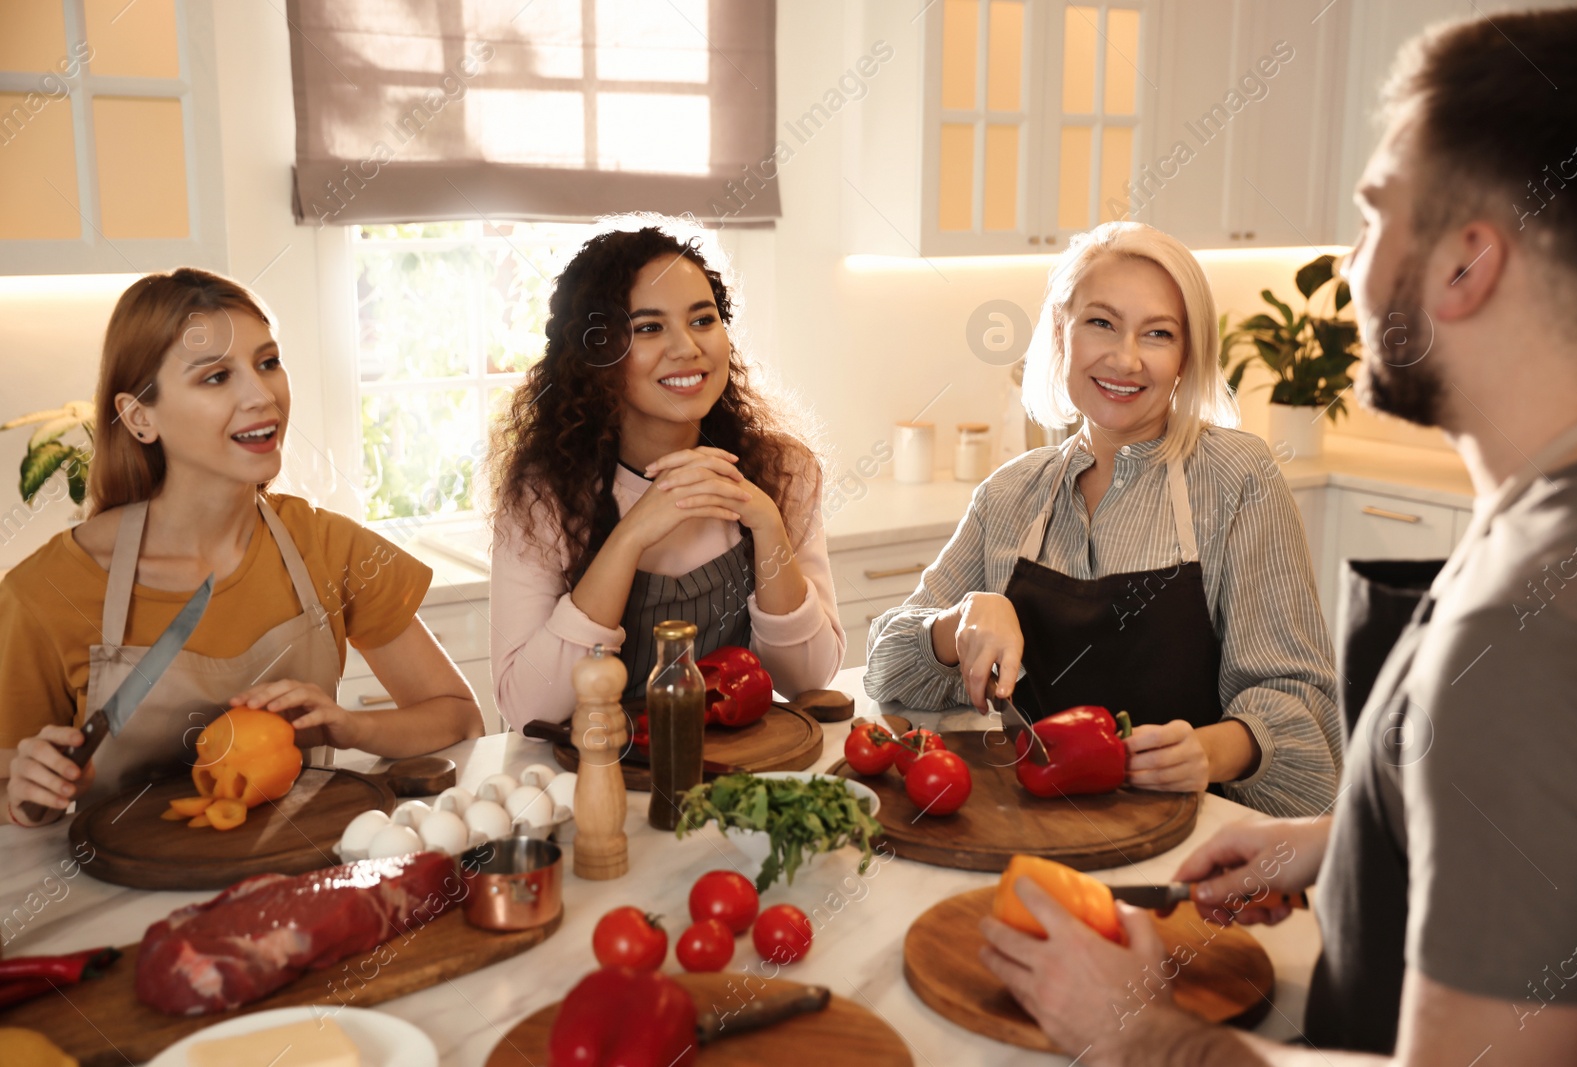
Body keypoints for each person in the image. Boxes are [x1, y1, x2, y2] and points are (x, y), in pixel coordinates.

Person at [979, 7, 1577, 1063]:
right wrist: (1338, 844)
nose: (1350, 268)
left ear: (1464, 264)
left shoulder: (1533, 629)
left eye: (1371, 219)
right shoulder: (1540, 539)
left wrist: (1137, 1030)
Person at [864, 222, 1341, 818]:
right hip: (1030, 823)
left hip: (1188, 838)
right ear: (1061, 332)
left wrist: (1211, 751)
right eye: (1101, 323)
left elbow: (1303, 707)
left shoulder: (1238, 479)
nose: (1126, 358)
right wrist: (954, 623)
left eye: (1159, 333)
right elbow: (885, 670)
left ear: (1187, 356)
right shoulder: (1010, 495)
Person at [1, 269, 484, 826]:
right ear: (139, 417)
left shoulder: (327, 547)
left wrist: (347, 727)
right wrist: (27, 795)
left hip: (304, 877)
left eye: (268, 362)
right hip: (119, 900)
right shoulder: (44, 593)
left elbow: (459, 717)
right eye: (215, 377)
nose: (261, 396)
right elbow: (10, 802)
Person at [490, 220, 844, 726]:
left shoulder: (782, 472)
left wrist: (768, 526)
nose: (688, 348)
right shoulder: (543, 495)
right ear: (598, 355)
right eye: (650, 328)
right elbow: (529, 710)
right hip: (588, 783)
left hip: (729, 783)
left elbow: (807, 679)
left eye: (703, 320)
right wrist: (631, 535)